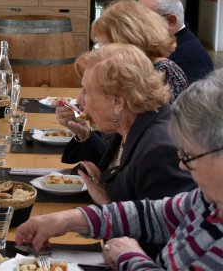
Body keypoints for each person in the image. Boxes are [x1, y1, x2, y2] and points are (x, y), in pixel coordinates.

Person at [17, 68, 223, 271]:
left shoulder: (157, 146)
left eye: (189, 156)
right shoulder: (211, 201)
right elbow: (154, 215)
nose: (181, 165)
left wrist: (130, 258)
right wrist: (66, 220)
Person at [91, 0, 188, 101]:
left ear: (128, 41)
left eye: (106, 46)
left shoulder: (164, 73)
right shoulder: (134, 68)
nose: (102, 53)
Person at [139, 0, 213, 84]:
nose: (138, 27)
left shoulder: (182, 59)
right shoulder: (179, 44)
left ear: (171, 21)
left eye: (144, 21)